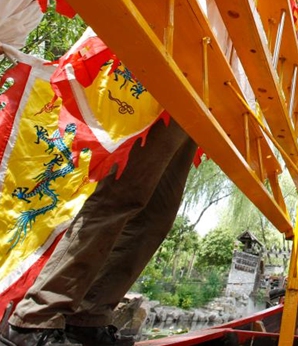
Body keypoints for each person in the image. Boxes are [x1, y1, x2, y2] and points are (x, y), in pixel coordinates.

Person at [1, 119, 197, 346]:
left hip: (208, 103)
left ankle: (87, 320)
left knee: (156, 217)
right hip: (174, 95)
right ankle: (34, 320)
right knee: (121, 194)